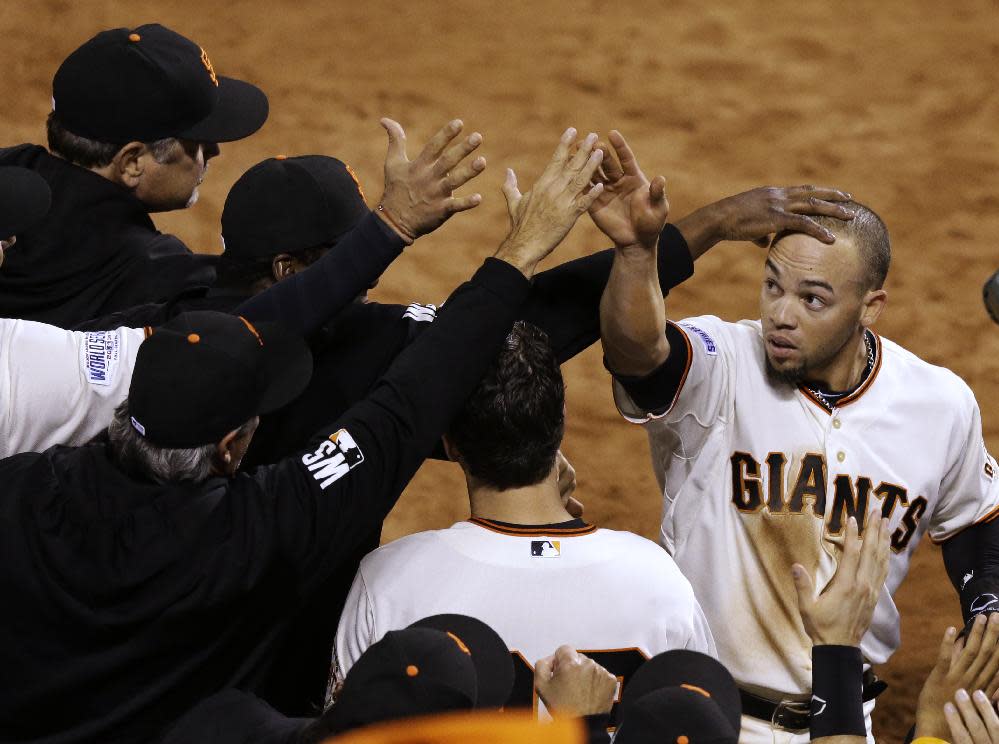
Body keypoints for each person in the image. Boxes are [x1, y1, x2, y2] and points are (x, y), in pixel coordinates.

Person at [0, 127, 606, 744]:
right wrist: (521, 250)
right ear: (231, 447)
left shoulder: (20, 484)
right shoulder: (257, 528)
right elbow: (408, 401)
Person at [593, 128, 999, 741]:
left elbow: (978, 527)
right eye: (773, 285)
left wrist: (988, 612)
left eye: (814, 299)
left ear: (871, 306)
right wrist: (634, 256)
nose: (781, 313)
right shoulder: (722, 364)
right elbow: (638, 354)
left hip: (843, 723)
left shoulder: (939, 404)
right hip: (703, 719)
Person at [0, 117, 481, 459]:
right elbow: (249, 326)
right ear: (286, 268)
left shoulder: (139, 314)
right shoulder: (134, 294)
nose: (9, 243)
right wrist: (390, 229)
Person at [330, 321, 715, 727]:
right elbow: (707, 723)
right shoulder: (658, 580)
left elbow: (339, 732)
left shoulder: (389, 582)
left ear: (449, 441)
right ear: (560, 421)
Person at [0, 23, 269, 326]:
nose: (214, 151)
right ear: (131, 162)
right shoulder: (155, 272)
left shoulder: (10, 168)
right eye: (196, 142)